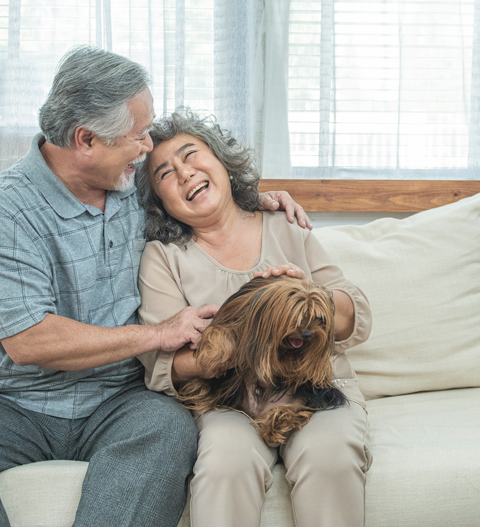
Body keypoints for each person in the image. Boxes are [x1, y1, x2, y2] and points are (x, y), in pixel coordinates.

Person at [0, 46, 308, 527]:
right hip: (12, 403)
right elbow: (28, 341)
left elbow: (198, 194)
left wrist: (254, 203)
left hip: (120, 399)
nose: (147, 147)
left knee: (168, 430)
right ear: (86, 140)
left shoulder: (131, 187)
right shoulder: (4, 208)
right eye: (137, 136)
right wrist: (155, 335)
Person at [135, 109, 373, 527]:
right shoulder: (163, 258)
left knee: (330, 456)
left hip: (317, 391)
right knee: (225, 463)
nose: (186, 173)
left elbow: (355, 316)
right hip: (229, 403)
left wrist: (305, 299)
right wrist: (254, 332)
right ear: (159, 203)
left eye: (192, 155)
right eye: (166, 174)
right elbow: (166, 366)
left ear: (223, 163)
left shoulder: (287, 225)